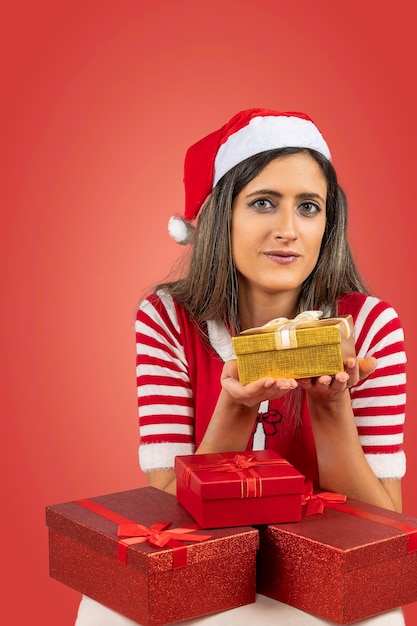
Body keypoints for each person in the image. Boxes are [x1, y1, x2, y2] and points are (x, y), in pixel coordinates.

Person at [75, 109, 407, 625]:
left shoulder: (368, 326)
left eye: (309, 207)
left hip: (324, 576)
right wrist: (235, 405)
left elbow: (385, 531)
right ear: (220, 218)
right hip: (207, 567)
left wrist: (330, 404)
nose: (288, 230)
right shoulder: (167, 319)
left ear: (328, 223)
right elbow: (163, 514)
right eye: (263, 203)